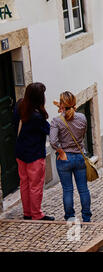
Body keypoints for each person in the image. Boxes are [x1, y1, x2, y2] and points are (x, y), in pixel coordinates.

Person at [14, 82, 54, 221]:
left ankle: (27, 213)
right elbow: (50, 131)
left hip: (20, 152)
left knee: (24, 183)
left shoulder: (19, 106)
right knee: (35, 186)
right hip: (35, 155)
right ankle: (36, 214)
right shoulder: (37, 117)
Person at [49, 91, 92, 222]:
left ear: (62, 105)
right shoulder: (82, 117)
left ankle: (70, 217)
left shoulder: (56, 121)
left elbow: (52, 141)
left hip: (64, 158)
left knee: (67, 190)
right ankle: (86, 217)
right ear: (74, 104)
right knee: (83, 189)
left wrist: (60, 151)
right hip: (79, 156)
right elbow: (82, 134)